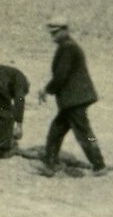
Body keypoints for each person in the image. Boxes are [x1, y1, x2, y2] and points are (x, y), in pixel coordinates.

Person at [37, 18, 105, 176]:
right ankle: (50, 164)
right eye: (51, 33)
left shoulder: (67, 48)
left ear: (65, 30)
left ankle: (99, 166)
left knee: (83, 133)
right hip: (74, 99)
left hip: (74, 100)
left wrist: (46, 90)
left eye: (55, 33)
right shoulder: (68, 46)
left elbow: (61, 75)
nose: (52, 36)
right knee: (57, 131)